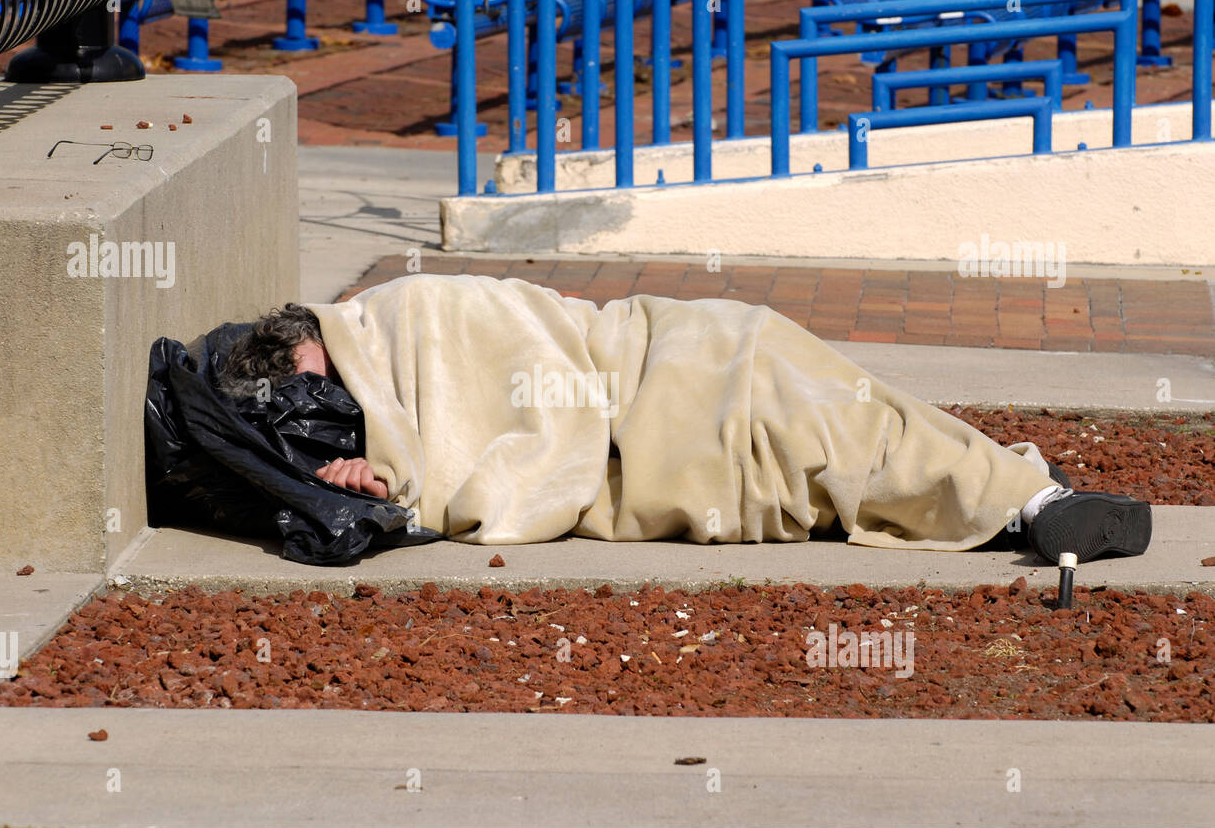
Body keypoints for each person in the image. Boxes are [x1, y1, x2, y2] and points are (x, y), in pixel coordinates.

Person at [216, 290, 1151, 565]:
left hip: (656, 356)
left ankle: (1026, 499)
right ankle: (1030, 501)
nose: (340, 406)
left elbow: (518, 361)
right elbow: (433, 453)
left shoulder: (403, 314)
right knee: (831, 449)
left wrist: (402, 478)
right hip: (661, 396)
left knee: (841, 422)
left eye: (323, 381)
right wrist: (378, 483)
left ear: (316, 338)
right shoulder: (359, 407)